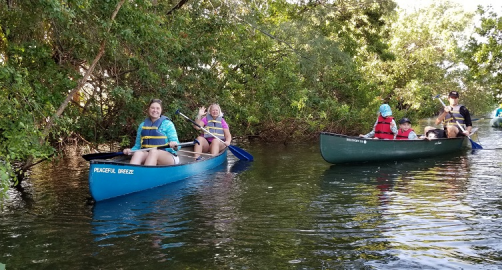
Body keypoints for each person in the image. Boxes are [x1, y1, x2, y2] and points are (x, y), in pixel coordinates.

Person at [123, 99, 180, 165]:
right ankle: (132, 173)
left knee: (153, 152)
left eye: (157, 108)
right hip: (149, 154)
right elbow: (137, 146)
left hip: (169, 157)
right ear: (148, 109)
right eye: (152, 108)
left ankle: (146, 174)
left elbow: (178, 146)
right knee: (138, 153)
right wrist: (130, 151)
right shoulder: (142, 125)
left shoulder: (168, 124)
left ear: (161, 110)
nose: (155, 110)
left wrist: (175, 145)